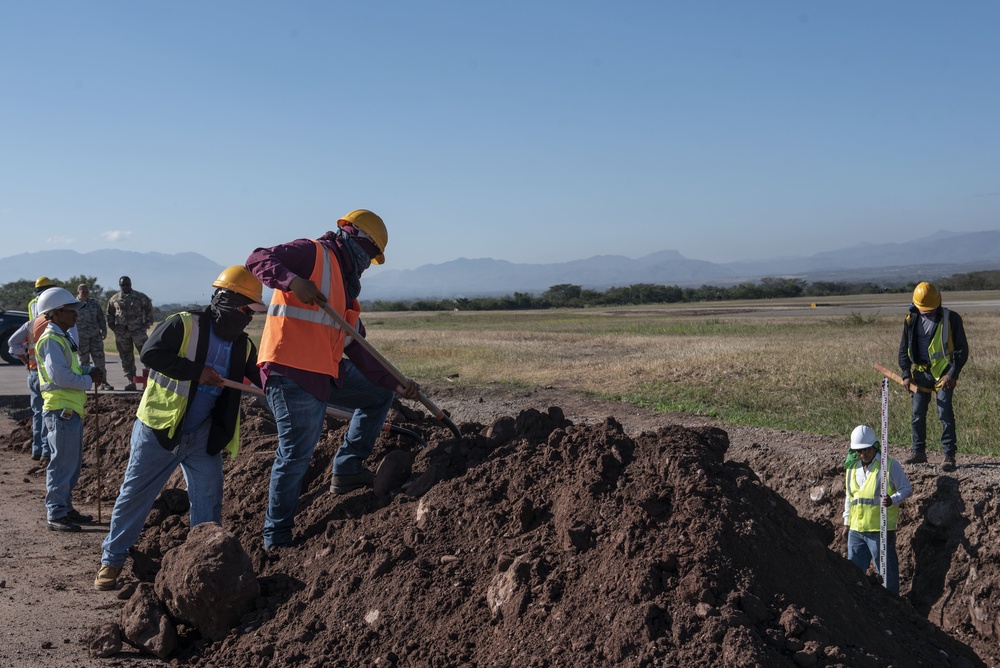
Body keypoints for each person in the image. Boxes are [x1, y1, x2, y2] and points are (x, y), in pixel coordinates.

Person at [246, 208, 421, 553]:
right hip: (290, 370)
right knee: (297, 452)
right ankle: (276, 537)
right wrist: (293, 281)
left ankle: (348, 467)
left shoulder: (345, 289)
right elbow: (257, 259)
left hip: (324, 372)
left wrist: (398, 384)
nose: (369, 262)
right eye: (370, 253)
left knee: (377, 394)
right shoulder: (312, 253)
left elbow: (359, 349)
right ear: (355, 237)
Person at [94, 266, 266, 591]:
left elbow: (260, 377)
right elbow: (149, 353)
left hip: (202, 434)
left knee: (209, 498)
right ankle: (111, 562)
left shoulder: (242, 345)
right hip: (160, 427)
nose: (250, 319)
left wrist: (286, 387)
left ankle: (204, 568)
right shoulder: (185, 324)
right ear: (228, 302)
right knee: (136, 495)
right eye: (247, 310)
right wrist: (196, 371)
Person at [34, 287, 106, 532]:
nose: (76, 313)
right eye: (71, 309)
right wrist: (87, 380)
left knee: (71, 464)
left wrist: (87, 372)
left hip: (69, 409)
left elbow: (69, 371)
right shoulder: (52, 340)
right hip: (60, 409)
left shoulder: (62, 337)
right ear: (56, 313)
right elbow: (60, 376)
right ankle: (56, 513)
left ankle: (65, 507)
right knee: (62, 464)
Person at [897, 282, 969, 472]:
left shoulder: (951, 319)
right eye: (923, 310)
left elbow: (962, 350)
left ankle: (949, 455)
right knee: (917, 413)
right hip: (920, 374)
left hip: (944, 373)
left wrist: (952, 374)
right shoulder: (910, 319)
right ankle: (918, 452)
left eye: (930, 310)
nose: (926, 313)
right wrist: (906, 374)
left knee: (944, 413)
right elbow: (903, 350)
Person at [843, 424, 913, 595]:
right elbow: (849, 497)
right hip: (857, 531)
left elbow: (906, 489)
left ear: (874, 446)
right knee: (854, 574)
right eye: (858, 451)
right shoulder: (852, 468)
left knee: (887, 574)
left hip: (880, 530)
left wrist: (892, 500)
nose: (862, 454)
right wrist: (847, 522)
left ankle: (893, 608)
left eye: (866, 450)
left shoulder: (889, 466)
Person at [107, 276, 154, 391]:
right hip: (122, 334)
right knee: (126, 358)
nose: (125, 287)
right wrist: (114, 327)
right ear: (120, 286)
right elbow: (110, 314)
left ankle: (152, 381)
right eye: (123, 285)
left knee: (146, 355)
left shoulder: (139, 297)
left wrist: (146, 323)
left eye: (127, 285)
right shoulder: (114, 299)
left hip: (138, 332)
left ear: (131, 284)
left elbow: (149, 308)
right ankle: (130, 381)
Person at [75, 283, 113, 391]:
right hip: (81, 338)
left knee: (100, 360)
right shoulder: (74, 304)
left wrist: (104, 330)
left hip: (95, 336)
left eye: (87, 292)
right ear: (78, 292)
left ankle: (103, 382)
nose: (86, 294)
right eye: (83, 292)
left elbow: (100, 317)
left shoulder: (94, 303)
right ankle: (85, 383)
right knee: (83, 362)